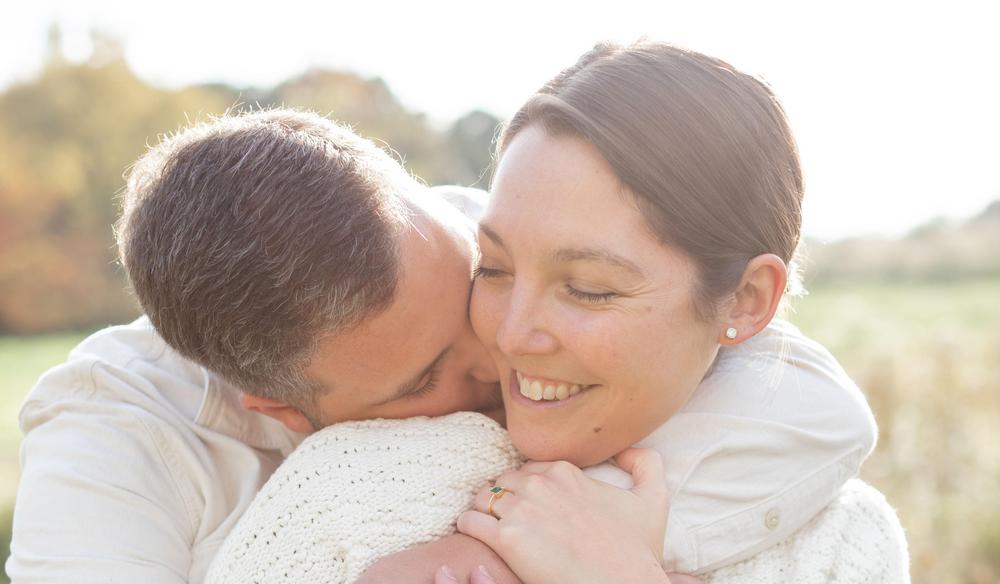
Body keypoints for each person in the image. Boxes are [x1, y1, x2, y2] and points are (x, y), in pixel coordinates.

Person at [449, 41, 909, 582]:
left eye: (588, 289)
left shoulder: (843, 546)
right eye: (493, 268)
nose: (511, 334)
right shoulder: (394, 455)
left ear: (746, 299)